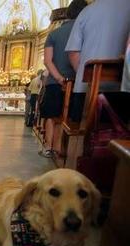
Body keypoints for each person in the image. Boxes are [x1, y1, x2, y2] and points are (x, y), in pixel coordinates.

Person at [66, 0, 130, 122]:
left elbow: (73, 52)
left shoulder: (87, 11)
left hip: (87, 90)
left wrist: (85, 75)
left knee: (83, 135)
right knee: (120, 138)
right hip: (123, 89)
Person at [40, 0, 88, 158]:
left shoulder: (54, 34)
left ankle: (48, 147)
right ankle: (62, 149)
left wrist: (59, 78)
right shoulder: (85, 30)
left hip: (55, 82)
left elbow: (47, 60)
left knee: (51, 116)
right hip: (78, 82)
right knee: (69, 117)